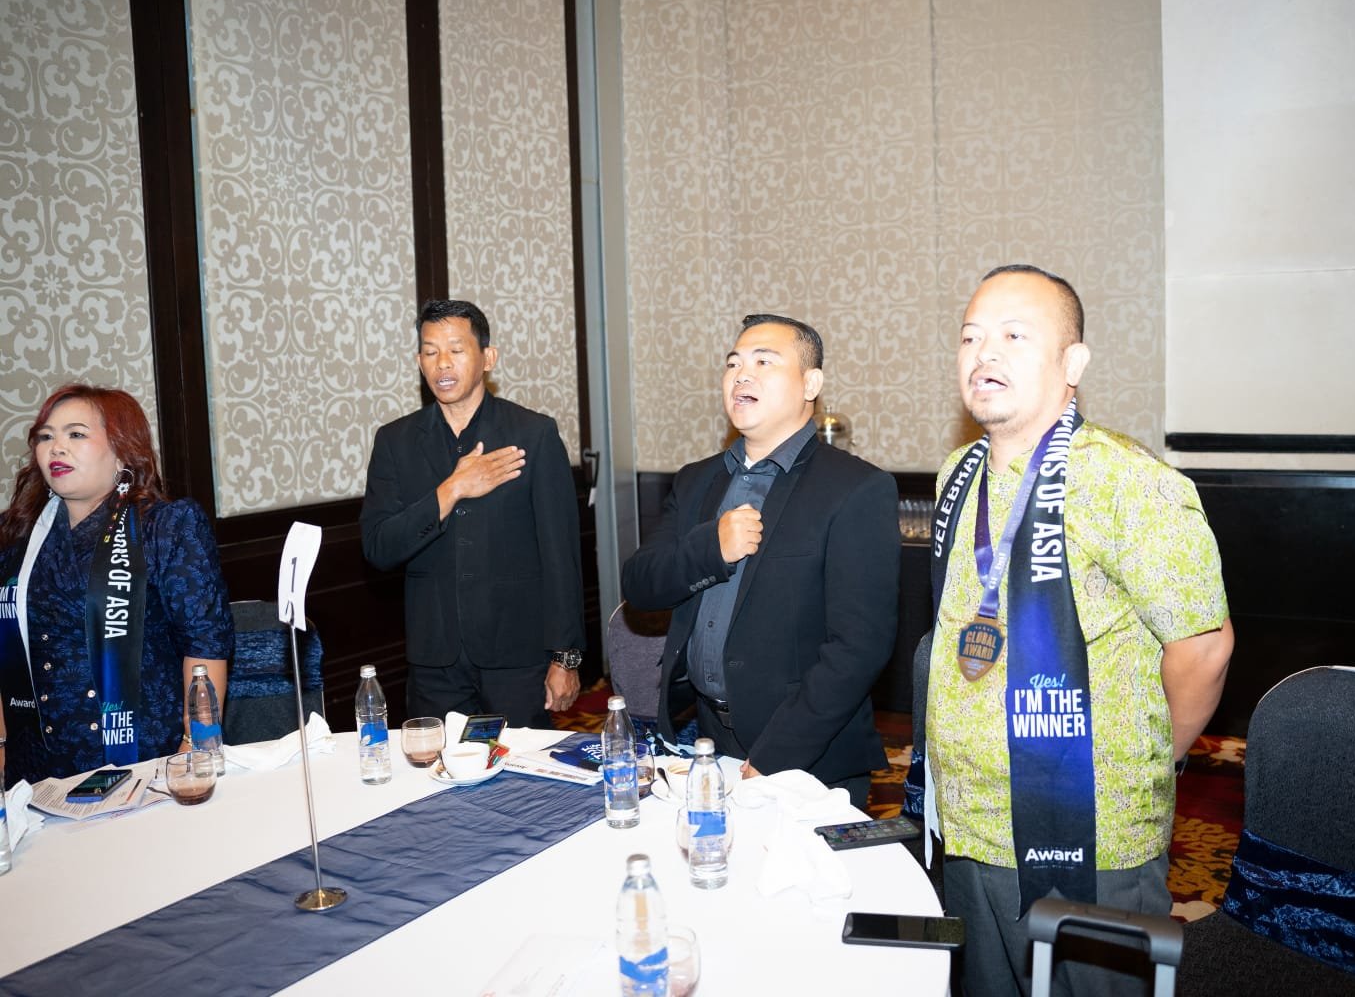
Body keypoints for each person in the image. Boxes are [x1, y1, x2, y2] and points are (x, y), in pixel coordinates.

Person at [919, 266, 1234, 997]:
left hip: (1089, 830)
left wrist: (1153, 756)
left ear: (1073, 363)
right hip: (966, 821)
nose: (984, 353)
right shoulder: (957, 475)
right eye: (970, 338)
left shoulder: (1129, 483)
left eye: (1014, 336)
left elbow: (1205, 646)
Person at [621, 314, 900, 805]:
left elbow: (859, 647)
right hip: (707, 738)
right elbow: (641, 584)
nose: (741, 375)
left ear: (810, 384)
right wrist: (712, 549)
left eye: (763, 362)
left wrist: (776, 756)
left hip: (806, 754)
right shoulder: (697, 480)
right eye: (733, 364)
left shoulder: (856, 488)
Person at [361, 299, 585, 728]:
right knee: (437, 769)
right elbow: (379, 548)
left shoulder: (533, 434)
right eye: (430, 352)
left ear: (488, 357)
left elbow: (561, 556)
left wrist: (565, 657)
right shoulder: (395, 441)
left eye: (456, 350)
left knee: (522, 769)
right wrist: (453, 488)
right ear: (419, 362)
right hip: (434, 660)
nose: (442, 363)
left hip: (517, 655)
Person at [0, 385, 233, 788]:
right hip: (35, 771)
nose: (56, 448)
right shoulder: (16, 536)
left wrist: (194, 749)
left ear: (123, 450)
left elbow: (205, 647)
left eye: (76, 434)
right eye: (45, 436)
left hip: (147, 763)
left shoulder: (165, 526)